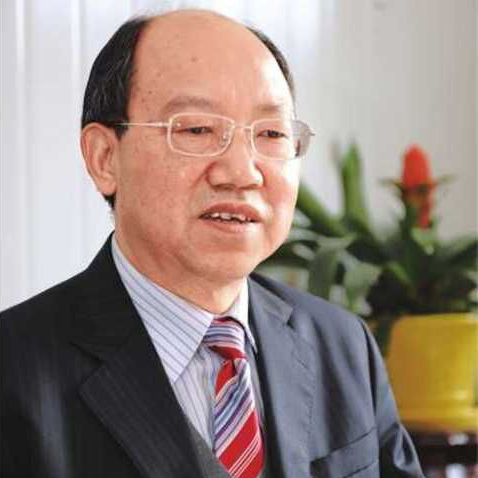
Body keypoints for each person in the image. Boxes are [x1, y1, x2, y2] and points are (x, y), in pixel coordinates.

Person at [0, 9, 424, 478]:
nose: (242, 173)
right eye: (197, 130)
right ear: (104, 158)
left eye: (271, 134)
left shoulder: (343, 346)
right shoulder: (13, 370)